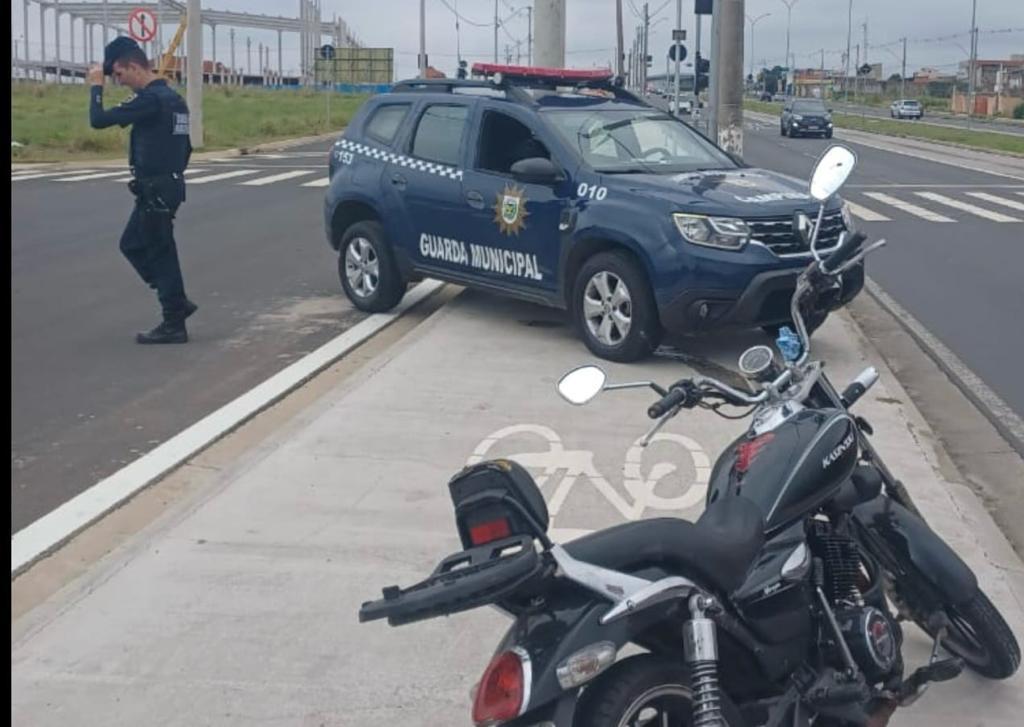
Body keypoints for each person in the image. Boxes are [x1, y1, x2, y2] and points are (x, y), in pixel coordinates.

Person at [88, 37, 197, 344]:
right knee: (136, 245)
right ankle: (175, 300)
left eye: (119, 75)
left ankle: (173, 320)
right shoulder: (173, 99)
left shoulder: (151, 100)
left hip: (157, 188)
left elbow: (98, 120)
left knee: (158, 252)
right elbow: (186, 146)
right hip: (168, 185)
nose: (119, 83)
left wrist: (96, 87)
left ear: (133, 66)